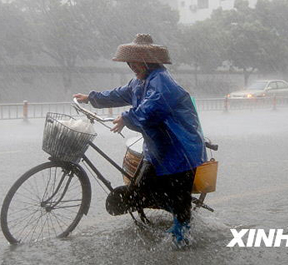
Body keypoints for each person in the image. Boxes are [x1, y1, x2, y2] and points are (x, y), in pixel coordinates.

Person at [74, 33, 206, 245]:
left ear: (148, 61)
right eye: (130, 63)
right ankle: (175, 212)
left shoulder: (162, 81)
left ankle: (182, 233)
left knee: (176, 190)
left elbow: (152, 109)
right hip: (157, 149)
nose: (132, 66)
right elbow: (119, 94)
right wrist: (91, 98)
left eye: (136, 62)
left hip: (179, 148)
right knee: (144, 189)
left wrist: (127, 117)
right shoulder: (140, 82)